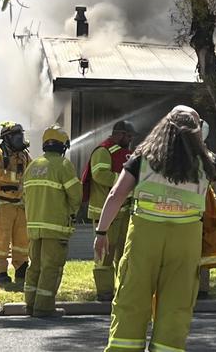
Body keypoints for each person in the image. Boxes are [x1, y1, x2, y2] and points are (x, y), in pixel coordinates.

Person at [95, 105, 216, 351]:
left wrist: (101, 233)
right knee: (176, 306)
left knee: (132, 299)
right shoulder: (204, 164)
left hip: (143, 237)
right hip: (185, 243)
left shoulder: (143, 158)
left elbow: (115, 194)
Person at [23, 125, 82, 317]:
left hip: (34, 227)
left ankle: (31, 305)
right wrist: (70, 213)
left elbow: (25, 196)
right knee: (51, 267)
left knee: (35, 267)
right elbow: (76, 196)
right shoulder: (63, 165)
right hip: (55, 227)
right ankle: (44, 308)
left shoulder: (32, 166)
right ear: (63, 146)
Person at [81, 120, 135, 301]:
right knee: (104, 255)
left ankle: (123, 292)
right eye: (128, 136)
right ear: (118, 134)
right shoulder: (102, 151)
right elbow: (99, 175)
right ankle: (104, 293)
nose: (130, 140)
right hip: (106, 213)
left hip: (125, 212)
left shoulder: (126, 154)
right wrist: (125, 181)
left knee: (125, 255)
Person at [0, 121, 31, 290]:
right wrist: (19, 178)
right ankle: (1, 274)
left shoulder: (23, 155)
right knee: (1, 242)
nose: (20, 138)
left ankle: (22, 269)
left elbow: (30, 171)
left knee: (22, 241)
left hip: (19, 205)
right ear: (7, 137)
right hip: (0, 206)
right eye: (17, 135)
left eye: (21, 134)